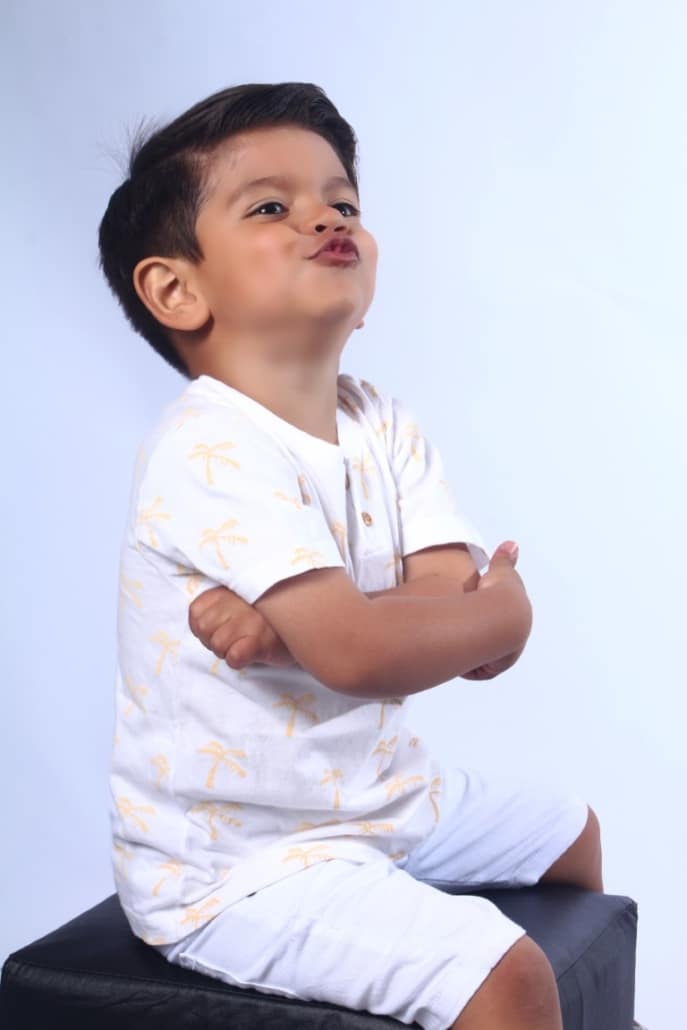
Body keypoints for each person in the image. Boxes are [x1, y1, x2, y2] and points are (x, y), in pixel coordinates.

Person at [99, 82, 603, 1030]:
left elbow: (450, 604)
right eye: (270, 207)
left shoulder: (380, 421)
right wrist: (494, 610)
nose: (326, 217)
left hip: (383, 800)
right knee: (505, 974)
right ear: (176, 289)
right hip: (238, 861)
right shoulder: (210, 444)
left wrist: (309, 632)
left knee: (569, 834)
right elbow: (383, 650)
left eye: (343, 202)